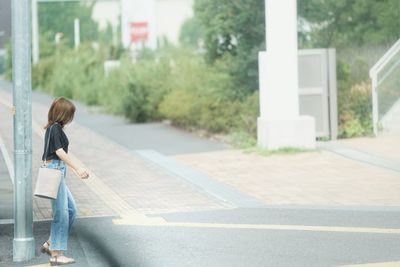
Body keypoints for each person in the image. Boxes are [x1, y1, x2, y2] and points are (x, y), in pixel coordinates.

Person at [40, 97, 89, 266]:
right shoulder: (55, 128)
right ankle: (56, 255)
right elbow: (59, 152)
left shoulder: (55, 128)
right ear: (63, 114)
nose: (71, 118)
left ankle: (50, 244)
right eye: (70, 114)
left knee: (70, 210)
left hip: (57, 170)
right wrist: (78, 168)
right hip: (55, 170)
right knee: (61, 213)